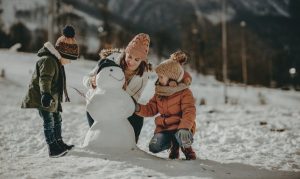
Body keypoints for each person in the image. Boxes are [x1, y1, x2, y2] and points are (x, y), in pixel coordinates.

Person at [21, 25, 79, 157]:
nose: (69, 62)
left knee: (57, 118)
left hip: (52, 97)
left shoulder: (56, 61)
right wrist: (46, 94)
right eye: (69, 58)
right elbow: (45, 79)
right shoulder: (48, 61)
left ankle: (59, 142)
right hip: (43, 97)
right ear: (63, 53)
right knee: (49, 121)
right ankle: (52, 148)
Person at [83, 33, 151, 143]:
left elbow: (135, 99)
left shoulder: (143, 75)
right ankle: (96, 138)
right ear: (125, 53)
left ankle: (131, 143)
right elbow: (86, 78)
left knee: (138, 115)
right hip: (101, 99)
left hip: (121, 103)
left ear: (142, 60)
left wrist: (123, 88)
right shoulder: (112, 60)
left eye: (137, 59)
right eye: (129, 56)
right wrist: (92, 81)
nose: (131, 61)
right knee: (96, 118)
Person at [135, 55, 197, 160]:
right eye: (158, 76)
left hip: (181, 128)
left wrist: (185, 127)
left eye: (161, 77)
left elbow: (189, 111)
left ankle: (187, 149)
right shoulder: (160, 92)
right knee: (154, 146)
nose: (158, 79)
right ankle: (174, 145)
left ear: (172, 79)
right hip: (164, 129)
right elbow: (151, 108)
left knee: (182, 135)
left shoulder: (184, 92)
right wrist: (138, 108)